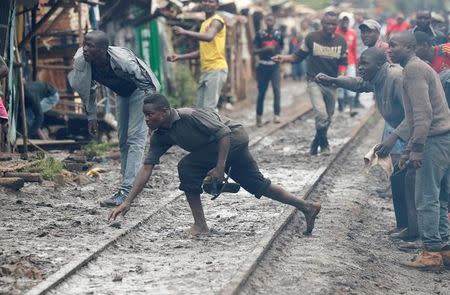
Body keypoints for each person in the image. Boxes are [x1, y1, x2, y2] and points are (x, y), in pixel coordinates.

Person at [108, 93, 322, 236]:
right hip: (222, 149)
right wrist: (128, 202)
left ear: (164, 111)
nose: (146, 119)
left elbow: (224, 132)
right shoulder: (160, 135)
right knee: (258, 185)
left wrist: (220, 168)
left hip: (234, 139)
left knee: (187, 167)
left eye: (150, 114)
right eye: (144, 115)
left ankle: (200, 225)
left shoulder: (190, 116)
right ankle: (307, 207)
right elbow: (147, 168)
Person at [315, 47, 417, 240]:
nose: (360, 68)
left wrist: (393, 137)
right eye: (359, 63)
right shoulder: (378, 77)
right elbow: (358, 84)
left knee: (410, 183)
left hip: (415, 135)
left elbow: (413, 115)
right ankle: (404, 226)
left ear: (380, 64)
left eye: (365, 64)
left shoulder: (395, 78)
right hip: (402, 134)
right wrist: (334, 80)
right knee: (398, 178)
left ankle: (414, 232)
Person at [68, 30, 160, 207]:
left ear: (104, 49)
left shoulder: (122, 60)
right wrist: (91, 117)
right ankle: (129, 187)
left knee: (135, 138)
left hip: (140, 91)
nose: (85, 49)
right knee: (123, 140)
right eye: (84, 44)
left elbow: (148, 84)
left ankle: (127, 190)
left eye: (90, 46)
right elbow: (87, 90)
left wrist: (151, 112)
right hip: (122, 93)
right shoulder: (82, 60)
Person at [388, 31, 450, 269]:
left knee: (425, 198)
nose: (389, 49)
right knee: (440, 197)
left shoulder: (413, 70)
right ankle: (444, 247)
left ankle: (430, 252)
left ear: (409, 47)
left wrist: (416, 149)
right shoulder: (421, 67)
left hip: (433, 141)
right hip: (444, 139)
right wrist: (410, 147)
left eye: (394, 45)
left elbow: (423, 114)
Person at [272, 11, 347, 156]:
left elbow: (343, 62)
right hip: (315, 81)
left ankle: (315, 142)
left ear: (337, 25)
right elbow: (298, 56)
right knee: (321, 114)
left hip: (332, 83)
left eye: (333, 24)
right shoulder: (311, 38)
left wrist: (341, 77)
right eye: (327, 24)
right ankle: (324, 144)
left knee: (328, 117)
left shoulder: (341, 41)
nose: (330, 27)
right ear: (321, 23)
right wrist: (284, 58)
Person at [167, 0, 227, 113]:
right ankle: (210, 130)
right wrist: (180, 57)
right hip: (206, 70)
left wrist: (185, 32)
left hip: (216, 68)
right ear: (201, 3)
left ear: (217, 5)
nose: (208, 4)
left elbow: (209, 37)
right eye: (205, 1)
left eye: (211, 1)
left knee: (210, 109)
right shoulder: (205, 23)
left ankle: (220, 131)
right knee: (200, 110)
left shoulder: (216, 21)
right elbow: (202, 52)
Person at [253, 13, 284, 127]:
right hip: (263, 66)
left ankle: (277, 115)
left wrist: (281, 62)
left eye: (272, 20)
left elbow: (281, 49)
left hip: (275, 66)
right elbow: (254, 51)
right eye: (268, 20)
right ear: (265, 21)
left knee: (277, 91)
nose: (269, 22)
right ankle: (259, 117)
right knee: (261, 93)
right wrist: (265, 49)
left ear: (275, 21)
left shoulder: (279, 34)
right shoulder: (260, 34)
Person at [336, 12, 358, 111]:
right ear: (340, 21)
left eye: (347, 20)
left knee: (351, 83)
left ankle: (352, 107)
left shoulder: (353, 33)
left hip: (350, 62)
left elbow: (354, 49)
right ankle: (341, 106)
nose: (345, 22)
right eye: (343, 20)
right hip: (338, 63)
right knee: (340, 84)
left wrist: (356, 63)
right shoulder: (335, 32)